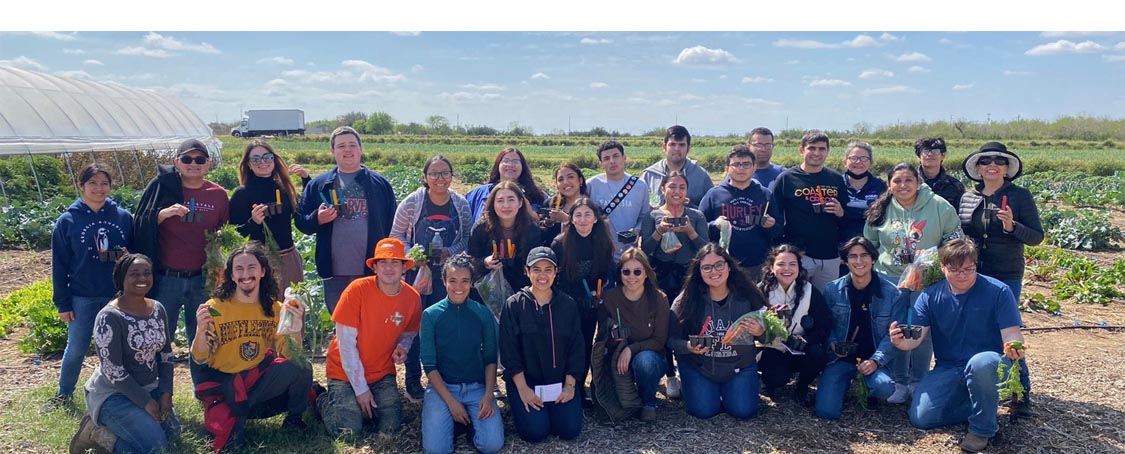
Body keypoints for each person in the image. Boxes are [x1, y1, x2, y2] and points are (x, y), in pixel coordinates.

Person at [890, 238, 1026, 453]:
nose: (962, 275)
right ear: (942, 267)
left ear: (975, 265)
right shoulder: (929, 295)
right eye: (954, 270)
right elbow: (915, 337)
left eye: (968, 269)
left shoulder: (998, 291)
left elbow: (1011, 333)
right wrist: (900, 342)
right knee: (921, 418)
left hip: (989, 363)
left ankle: (982, 429)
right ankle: (982, 402)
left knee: (981, 363)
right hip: (949, 366)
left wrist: (1013, 345)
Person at [191, 243, 313, 451]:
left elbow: (291, 354)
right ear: (231, 275)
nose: (245, 274)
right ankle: (232, 415)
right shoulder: (215, 307)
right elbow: (200, 358)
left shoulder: (274, 308)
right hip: (226, 388)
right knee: (232, 445)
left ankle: (294, 419)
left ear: (263, 271)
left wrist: (295, 326)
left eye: (251, 268)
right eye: (239, 269)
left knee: (302, 367)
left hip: (258, 384)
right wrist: (200, 332)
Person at [863, 162, 962, 404]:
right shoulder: (881, 209)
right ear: (889, 184)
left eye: (909, 180)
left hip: (926, 278)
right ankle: (899, 380)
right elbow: (869, 243)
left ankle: (918, 379)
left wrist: (935, 257)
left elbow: (955, 236)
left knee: (920, 328)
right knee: (894, 327)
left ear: (918, 182)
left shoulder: (938, 205)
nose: (903, 185)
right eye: (897, 181)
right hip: (889, 277)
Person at [133, 138, 229, 384]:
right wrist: (162, 215)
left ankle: (203, 390)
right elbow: (139, 223)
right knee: (160, 338)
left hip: (202, 279)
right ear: (177, 162)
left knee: (202, 335)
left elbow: (226, 232)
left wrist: (220, 241)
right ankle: (159, 390)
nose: (193, 164)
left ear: (208, 164)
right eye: (187, 159)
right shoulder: (163, 187)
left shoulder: (218, 195)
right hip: (167, 279)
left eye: (199, 160)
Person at [959, 141, 1042, 417]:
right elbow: (960, 234)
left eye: (999, 161)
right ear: (978, 168)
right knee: (976, 329)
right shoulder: (968, 197)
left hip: (1006, 273)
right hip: (972, 273)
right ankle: (982, 386)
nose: (991, 165)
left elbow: (1037, 237)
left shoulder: (1020, 196)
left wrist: (1012, 226)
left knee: (1008, 333)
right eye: (985, 161)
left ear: (1007, 168)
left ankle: (1020, 391)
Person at [45, 163, 134, 413]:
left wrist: (129, 257)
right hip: (82, 296)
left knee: (120, 350)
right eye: (92, 183)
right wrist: (63, 303)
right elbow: (59, 265)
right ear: (81, 186)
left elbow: (138, 258)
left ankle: (123, 393)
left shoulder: (123, 218)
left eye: (104, 183)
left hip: (117, 297)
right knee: (77, 348)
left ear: (110, 186)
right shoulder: (68, 221)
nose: (99, 188)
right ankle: (64, 393)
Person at [70, 254, 179, 454]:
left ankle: (118, 433)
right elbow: (113, 371)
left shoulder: (157, 309)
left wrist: (165, 393)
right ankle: (97, 433)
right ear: (121, 278)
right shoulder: (109, 317)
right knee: (156, 448)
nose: (142, 279)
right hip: (114, 395)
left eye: (147, 273)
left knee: (174, 435)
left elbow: (165, 355)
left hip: (150, 388)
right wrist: (146, 403)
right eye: (134, 274)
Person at [318, 237, 422, 437]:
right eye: (383, 262)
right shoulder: (356, 290)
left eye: (395, 262)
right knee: (348, 432)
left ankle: (358, 407)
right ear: (374, 267)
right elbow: (346, 345)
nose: (389, 268)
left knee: (390, 426)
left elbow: (409, 331)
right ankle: (321, 399)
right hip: (344, 372)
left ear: (404, 268)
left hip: (381, 372)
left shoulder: (412, 298)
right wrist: (361, 390)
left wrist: (403, 347)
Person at [391, 155, 475, 402]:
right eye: (434, 174)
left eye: (445, 173)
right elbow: (396, 236)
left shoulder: (460, 204)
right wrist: (413, 255)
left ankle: (445, 377)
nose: (440, 178)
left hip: (448, 277)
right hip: (416, 275)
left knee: (444, 324)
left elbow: (466, 238)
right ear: (425, 177)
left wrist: (452, 251)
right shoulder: (412, 203)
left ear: (451, 176)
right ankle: (413, 378)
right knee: (413, 325)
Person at [295, 126, 398, 314]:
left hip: (372, 269)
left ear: (361, 148)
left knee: (371, 319)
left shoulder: (380, 185)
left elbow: (393, 225)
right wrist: (316, 219)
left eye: (352, 144)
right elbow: (302, 223)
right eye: (341, 146)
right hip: (335, 272)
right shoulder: (318, 185)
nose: (348, 150)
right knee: (341, 321)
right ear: (332, 151)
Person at [668, 244, 767, 420]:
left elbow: (770, 336)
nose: (714, 271)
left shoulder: (748, 294)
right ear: (699, 271)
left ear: (729, 266)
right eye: (706, 267)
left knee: (743, 411)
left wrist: (760, 332)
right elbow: (670, 339)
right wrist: (688, 346)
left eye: (719, 265)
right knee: (704, 411)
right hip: (699, 366)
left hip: (740, 366)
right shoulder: (686, 299)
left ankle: (737, 389)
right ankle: (690, 383)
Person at [419, 254, 504, 454]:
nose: (459, 287)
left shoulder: (482, 313)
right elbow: (429, 365)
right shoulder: (431, 315)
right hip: (443, 388)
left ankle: (470, 425)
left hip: (477, 387)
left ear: (472, 283)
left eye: (465, 281)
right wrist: (451, 402)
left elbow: (491, 357)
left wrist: (488, 394)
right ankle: (454, 418)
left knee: (491, 446)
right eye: (453, 281)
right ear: (444, 281)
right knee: (436, 450)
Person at [498, 247, 585, 443]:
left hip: (560, 383)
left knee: (568, 430)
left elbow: (576, 348)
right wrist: (523, 389)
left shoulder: (568, 305)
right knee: (535, 433)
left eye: (548, 269)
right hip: (527, 384)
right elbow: (509, 353)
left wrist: (570, 386)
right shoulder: (514, 305)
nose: (542, 275)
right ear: (527, 271)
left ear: (556, 272)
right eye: (536, 269)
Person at [814, 237, 904, 420]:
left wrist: (876, 361)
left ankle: (869, 389)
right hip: (840, 360)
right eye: (853, 256)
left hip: (873, 359)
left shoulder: (893, 293)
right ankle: (843, 384)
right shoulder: (832, 290)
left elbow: (893, 336)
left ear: (873, 259)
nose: (859, 261)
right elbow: (825, 326)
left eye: (864, 255)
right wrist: (832, 344)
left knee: (884, 387)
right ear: (845, 261)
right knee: (826, 412)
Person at [640, 171, 709, 398]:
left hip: (689, 276)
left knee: (689, 321)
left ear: (687, 191)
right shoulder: (653, 216)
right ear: (663, 190)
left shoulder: (696, 215)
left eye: (681, 187)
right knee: (665, 323)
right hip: (661, 275)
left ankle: (690, 370)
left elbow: (705, 249)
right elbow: (647, 249)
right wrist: (661, 230)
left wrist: (688, 230)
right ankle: (670, 374)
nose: (676, 191)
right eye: (672, 187)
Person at [550, 197, 616, 407]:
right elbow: (554, 278)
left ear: (596, 219)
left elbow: (607, 273)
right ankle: (563, 385)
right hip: (566, 303)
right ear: (571, 218)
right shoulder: (560, 243)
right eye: (578, 215)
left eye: (588, 214)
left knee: (586, 344)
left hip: (591, 303)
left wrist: (600, 295)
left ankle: (579, 387)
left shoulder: (603, 242)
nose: (583, 219)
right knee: (566, 344)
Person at [592, 248, 669, 422]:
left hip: (650, 355)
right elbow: (601, 338)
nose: (631, 276)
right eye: (626, 271)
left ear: (646, 273)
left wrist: (631, 350)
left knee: (645, 362)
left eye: (637, 271)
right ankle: (626, 399)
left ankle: (648, 402)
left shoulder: (659, 299)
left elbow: (659, 340)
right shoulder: (610, 298)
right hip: (617, 356)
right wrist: (613, 338)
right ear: (619, 274)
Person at [768, 130, 849, 291]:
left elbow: (845, 214)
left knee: (826, 302)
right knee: (794, 298)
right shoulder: (787, 178)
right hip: (799, 254)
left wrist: (840, 212)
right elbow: (775, 215)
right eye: (812, 148)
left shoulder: (836, 178)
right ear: (801, 150)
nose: (816, 153)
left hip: (829, 254)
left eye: (822, 149)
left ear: (828, 151)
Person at [755, 244, 832, 407]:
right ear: (771, 267)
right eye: (781, 264)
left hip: (799, 347)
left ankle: (802, 386)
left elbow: (825, 325)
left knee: (818, 353)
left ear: (799, 267)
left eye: (792, 264)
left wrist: (806, 339)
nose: (787, 269)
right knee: (777, 378)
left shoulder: (810, 291)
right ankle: (769, 383)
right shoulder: (761, 290)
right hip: (771, 347)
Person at [228, 140, 309, 289]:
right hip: (259, 262)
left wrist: (306, 179)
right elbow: (235, 232)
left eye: (267, 157)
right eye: (256, 159)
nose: (263, 162)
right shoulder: (243, 193)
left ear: (274, 160)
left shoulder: (285, 188)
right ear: (249, 165)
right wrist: (253, 222)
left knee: (292, 307)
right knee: (264, 308)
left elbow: (305, 209)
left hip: (289, 258)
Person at [698, 145, 781, 279]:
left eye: (746, 164)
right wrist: (714, 225)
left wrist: (771, 225)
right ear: (727, 168)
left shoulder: (765, 194)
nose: (741, 168)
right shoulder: (714, 195)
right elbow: (698, 228)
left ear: (754, 168)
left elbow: (778, 231)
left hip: (758, 265)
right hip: (723, 266)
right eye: (736, 164)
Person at [468, 181, 543, 298]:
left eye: (511, 200)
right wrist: (485, 262)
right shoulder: (481, 228)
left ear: (520, 203)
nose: (506, 205)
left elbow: (535, 261)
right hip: (487, 289)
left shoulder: (531, 229)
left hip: (521, 288)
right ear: (493, 204)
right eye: (500, 201)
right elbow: (471, 259)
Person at [588, 140, 652, 261]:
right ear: (600, 164)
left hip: (628, 254)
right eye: (606, 158)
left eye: (616, 156)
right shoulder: (591, 185)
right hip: (599, 252)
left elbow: (644, 216)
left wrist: (637, 230)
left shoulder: (639, 185)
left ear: (624, 158)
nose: (612, 161)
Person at [464, 147, 548, 222]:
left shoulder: (539, 196)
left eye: (515, 161)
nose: (510, 165)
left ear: (523, 166)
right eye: (505, 161)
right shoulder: (478, 193)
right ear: (498, 165)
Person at [641, 125, 714, 209]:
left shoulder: (700, 176)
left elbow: (710, 211)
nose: (677, 149)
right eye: (672, 144)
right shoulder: (649, 176)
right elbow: (638, 208)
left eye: (681, 145)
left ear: (688, 148)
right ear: (664, 147)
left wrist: (690, 206)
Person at [840, 141, 887, 244]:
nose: (858, 162)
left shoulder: (881, 186)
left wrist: (844, 213)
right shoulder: (835, 184)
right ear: (845, 161)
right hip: (839, 247)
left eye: (864, 158)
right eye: (853, 158)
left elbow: (882, 216)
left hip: (871, 246)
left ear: (871, 163)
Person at [539, 163, 589, 246]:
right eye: (560, 179)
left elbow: (595, 236)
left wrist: (567, 220)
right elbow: (542, 236)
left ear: (580, 180)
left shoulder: (590, 207)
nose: (565, 182)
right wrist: (546, 224)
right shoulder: (550, 204)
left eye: (570, 177)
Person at [914, 137, 964, 206]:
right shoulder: (910, 183)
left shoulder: (955, 186)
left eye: (935, 151)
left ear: (943, 155)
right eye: (925, 151)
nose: (930, 154)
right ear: (918, 156)